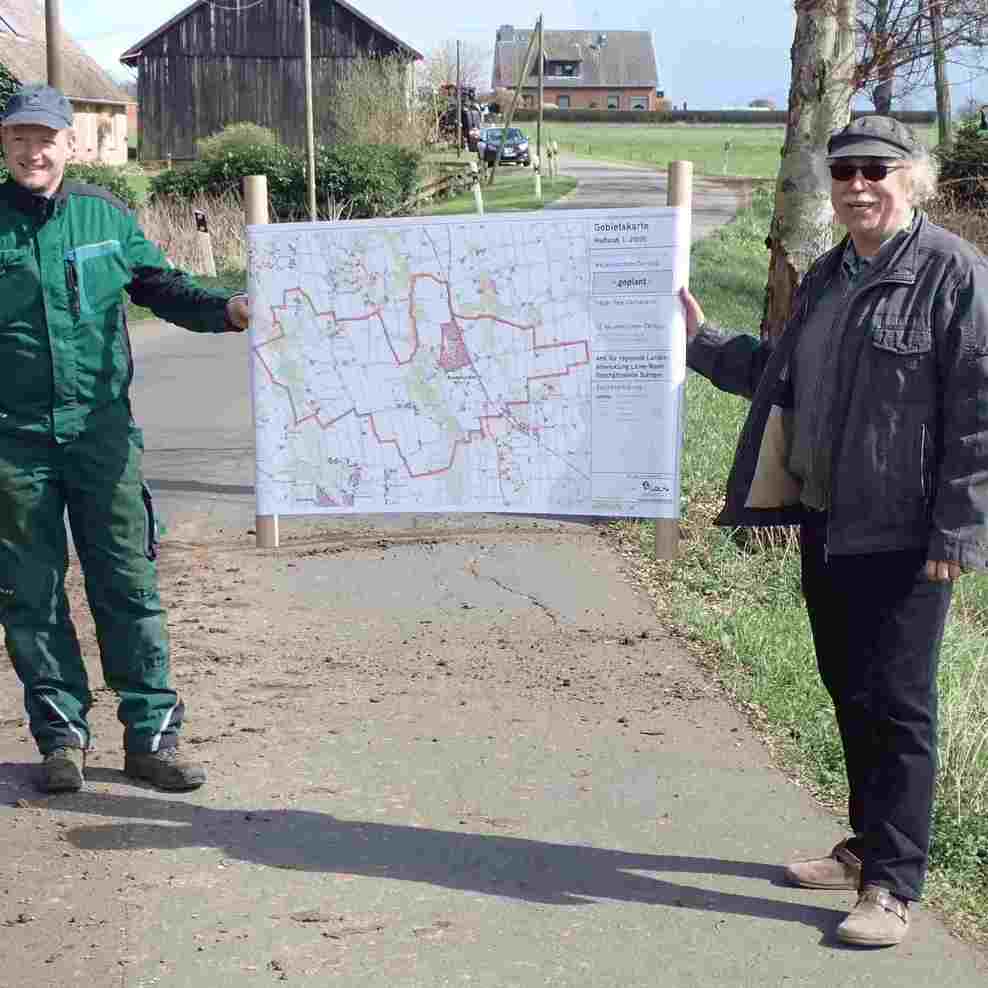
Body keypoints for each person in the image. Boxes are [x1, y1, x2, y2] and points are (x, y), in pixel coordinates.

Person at [680, 115, 988, 947]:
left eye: (875, 173)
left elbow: (979, 419)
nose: (858, 186)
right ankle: (863, 847)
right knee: (850, 694)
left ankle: (893, 885)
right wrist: (700, 342)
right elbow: (780, 375)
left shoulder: (955, 275)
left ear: (911, 180)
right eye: (844, 171)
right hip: (827, 524)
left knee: (901, 705)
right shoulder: (826, 275)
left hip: (907, 538)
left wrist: (954, 537)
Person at [0, 84, 249, 794]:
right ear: (5, 146)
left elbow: (161, 286)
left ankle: (152, 738)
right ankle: (61, 739)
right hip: (13, 447)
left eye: (45, 138)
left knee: (128, 582)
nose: (33, 150)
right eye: (19, 138)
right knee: (30, 593)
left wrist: (226, 309)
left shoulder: (103, 218)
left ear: (69, 146)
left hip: (103, 438)